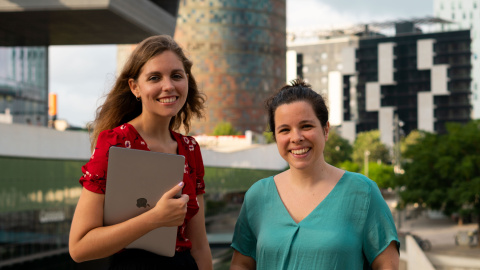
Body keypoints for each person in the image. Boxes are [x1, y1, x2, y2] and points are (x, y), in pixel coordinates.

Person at [69, 35, 213, 270]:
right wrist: (155, 218)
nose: (168, 85)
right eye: (155, 77)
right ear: (135, 87)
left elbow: (199, 245)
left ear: (187, 80)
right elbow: (79, 247)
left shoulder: (190, 148)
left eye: (177, 75)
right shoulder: (115, 143)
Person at [230, 79, 399, 270]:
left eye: (306, 126)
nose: (296, 138)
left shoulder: (363, 192)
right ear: (275, 138)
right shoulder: (257, 196)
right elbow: (241, 264)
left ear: (325, 130)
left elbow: (387, 265)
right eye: (284, 130)